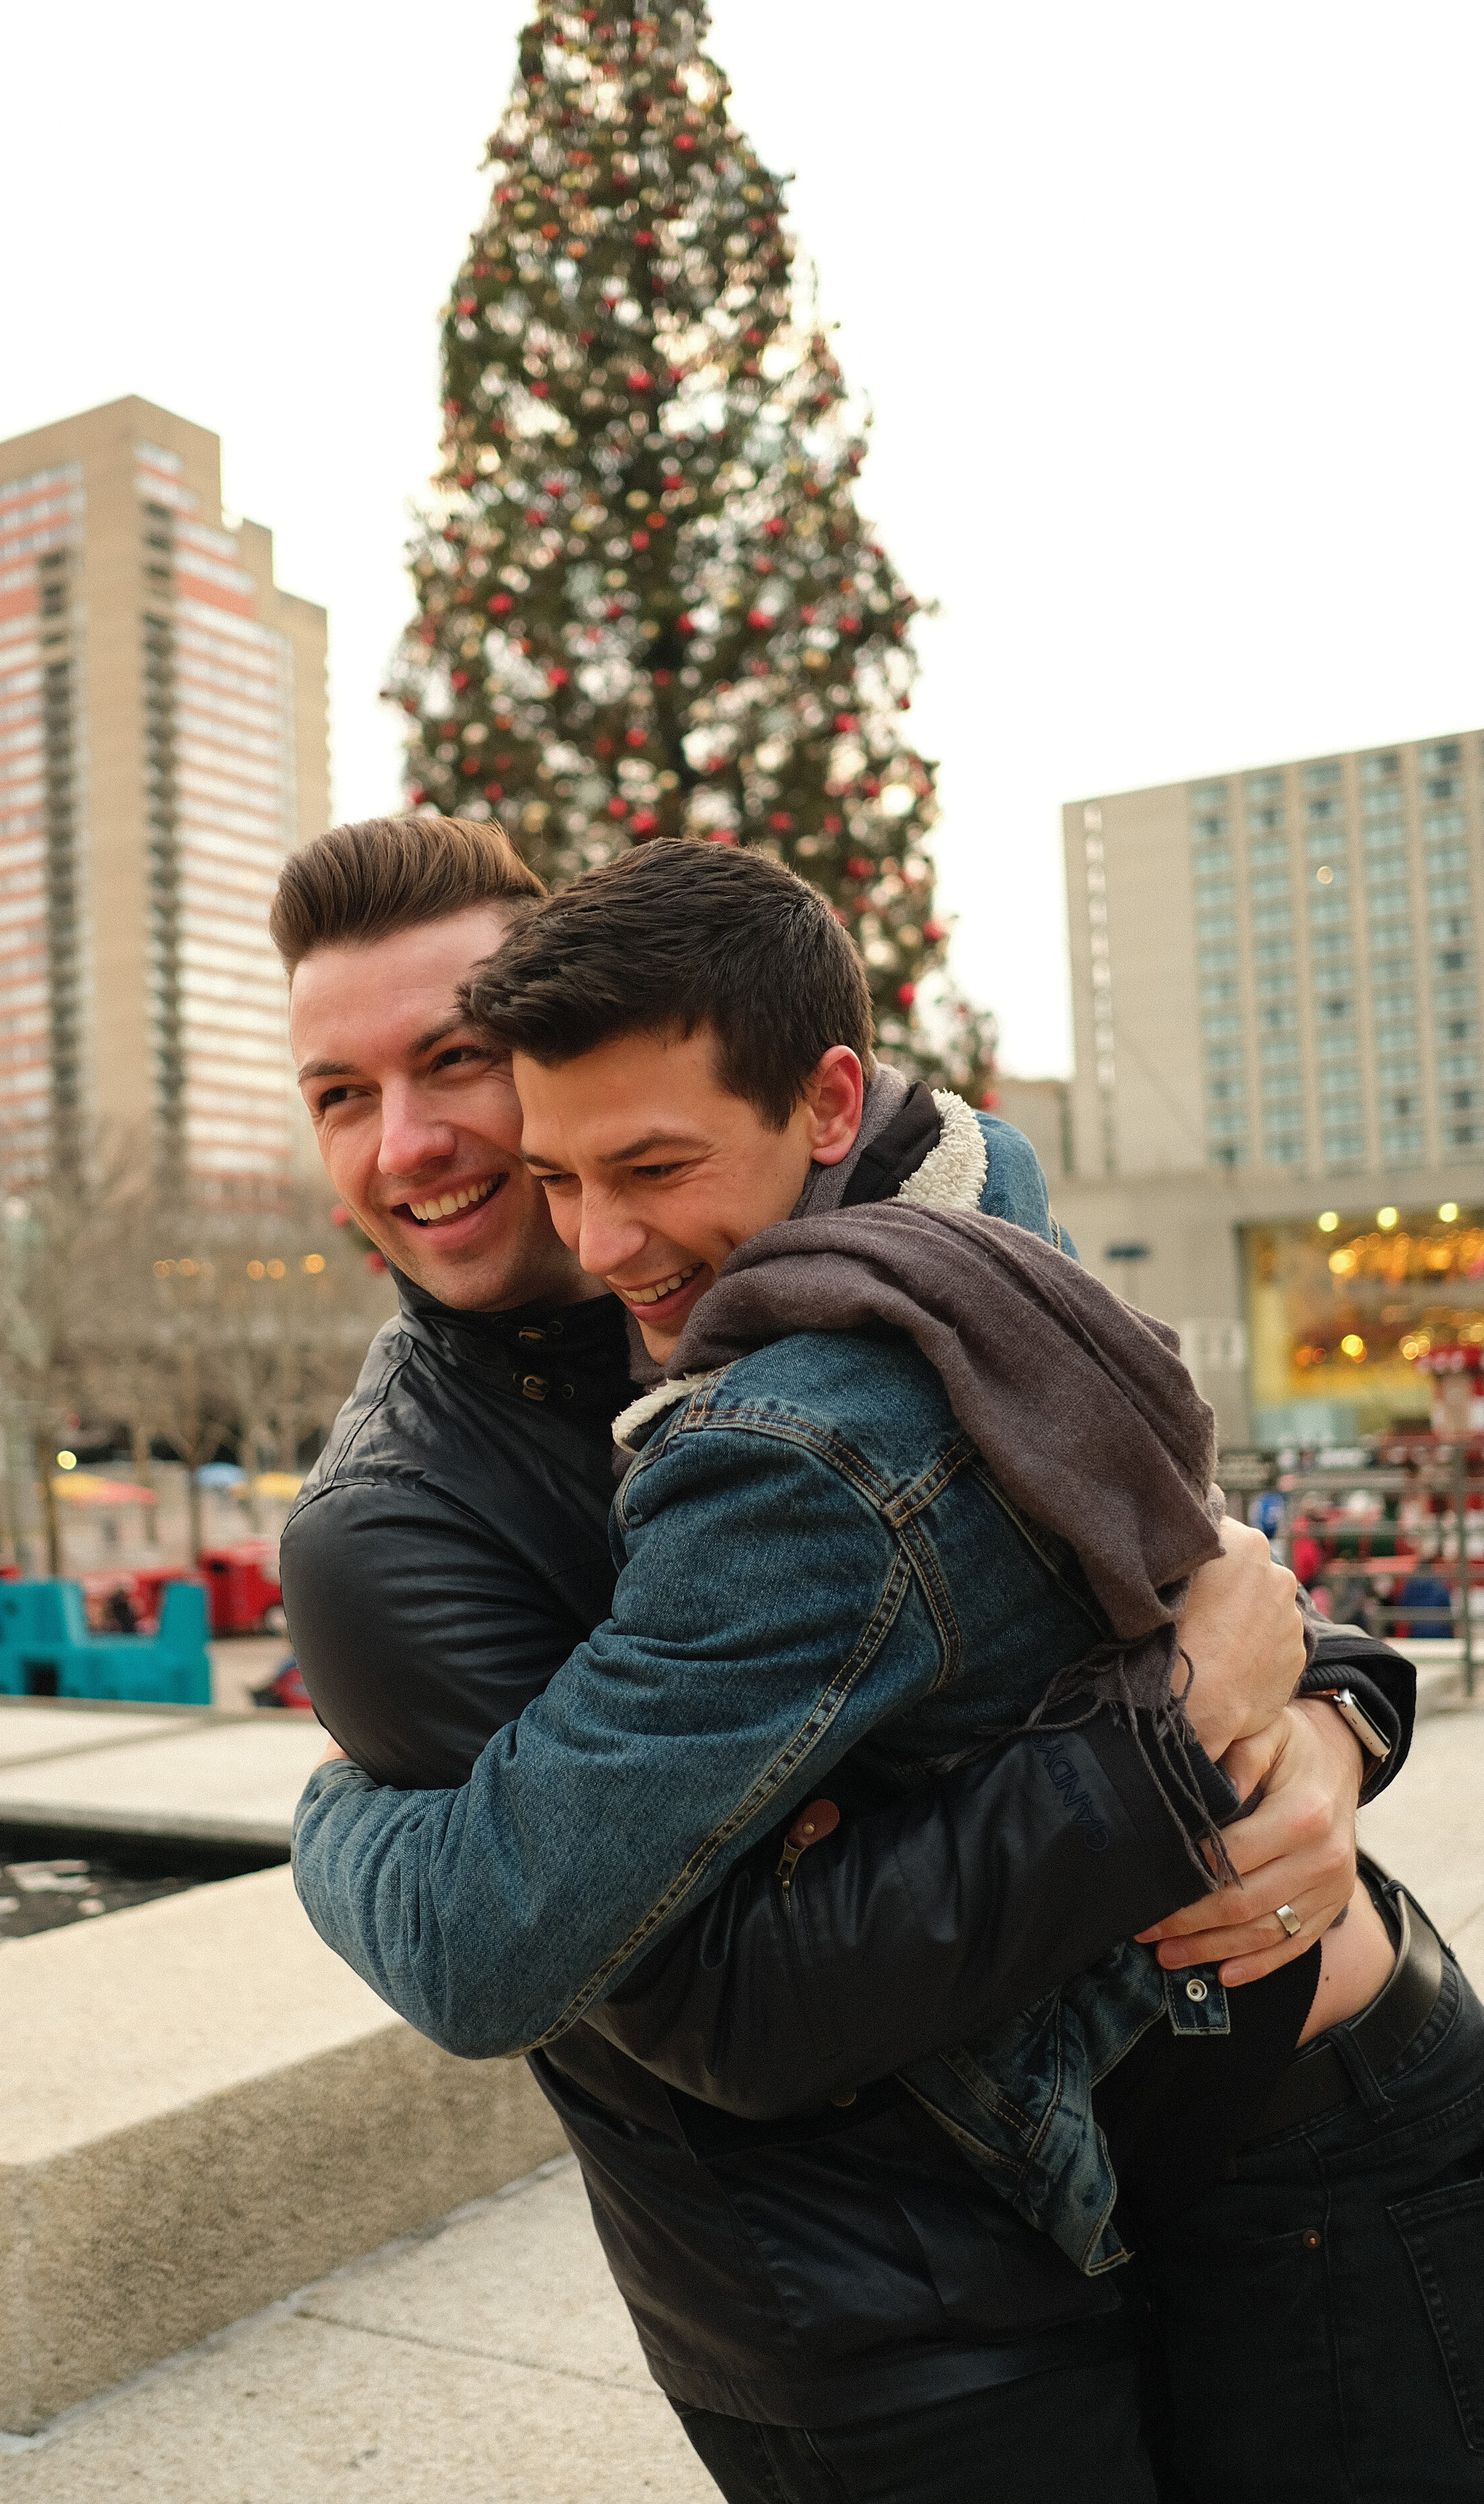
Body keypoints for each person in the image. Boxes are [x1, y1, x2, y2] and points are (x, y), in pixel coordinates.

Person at [272, 819, 1395, 2499]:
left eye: (456, 1059)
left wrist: (1323, 1702)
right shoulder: (395, 1533)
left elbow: (1143, 1534)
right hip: (895, 2343)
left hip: (1199, 2179)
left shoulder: (883, 1234)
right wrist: (1171, 1745)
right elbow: (722, 1996)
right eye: (339, 1094)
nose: (412, 1141)